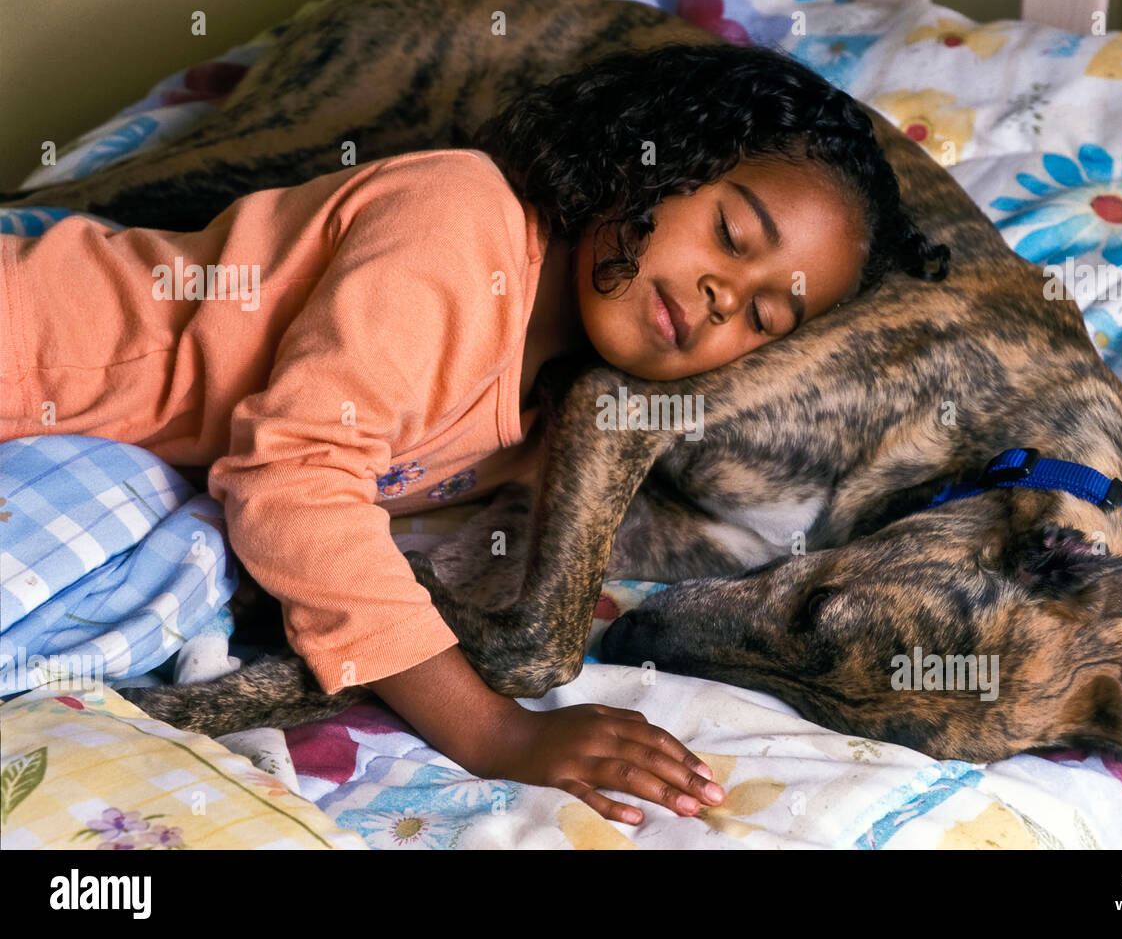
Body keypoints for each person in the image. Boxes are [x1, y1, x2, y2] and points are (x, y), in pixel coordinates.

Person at [0, 43, 947, 826]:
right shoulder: (457, 221)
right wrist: (497, 733)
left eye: (760, 319)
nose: (720, 300)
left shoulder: (544, 401)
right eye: (732, 237)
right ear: (649, 155)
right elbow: (292, 479)